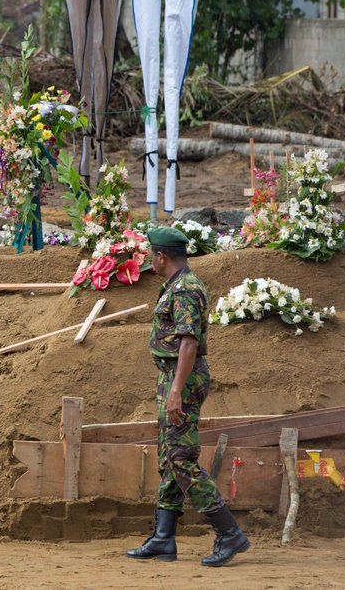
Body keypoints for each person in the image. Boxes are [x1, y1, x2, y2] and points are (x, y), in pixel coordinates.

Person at [125, 227, 249, 567]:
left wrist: (177, 391)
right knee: (170, 457)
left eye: (153, 254)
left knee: (181, 459)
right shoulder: (176, 286)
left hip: (183, 380)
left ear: (162, 256)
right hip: (172, 379)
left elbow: (189, 343)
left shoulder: (186, 290)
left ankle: (229, 533)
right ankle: (164, 538)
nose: (151, 259)